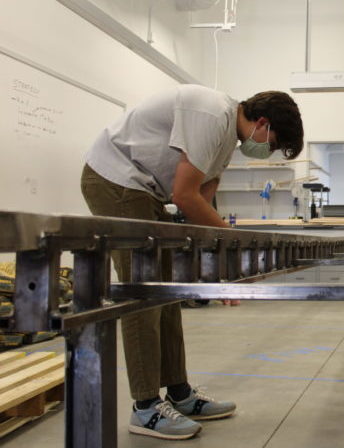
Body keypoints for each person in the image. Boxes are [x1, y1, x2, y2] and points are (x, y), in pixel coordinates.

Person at [80, 85, 303, 440]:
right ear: (262, 123)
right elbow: (184, 196)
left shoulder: (226, 137)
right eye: (273, 143)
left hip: (145, 189)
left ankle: (178, 393)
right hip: (116, 180)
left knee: (168, 292)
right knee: (144, 292)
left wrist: (220, 263)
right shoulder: (213, 116)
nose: (268, 150)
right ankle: (145, 407)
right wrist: (239, 246)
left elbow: (201, 201)